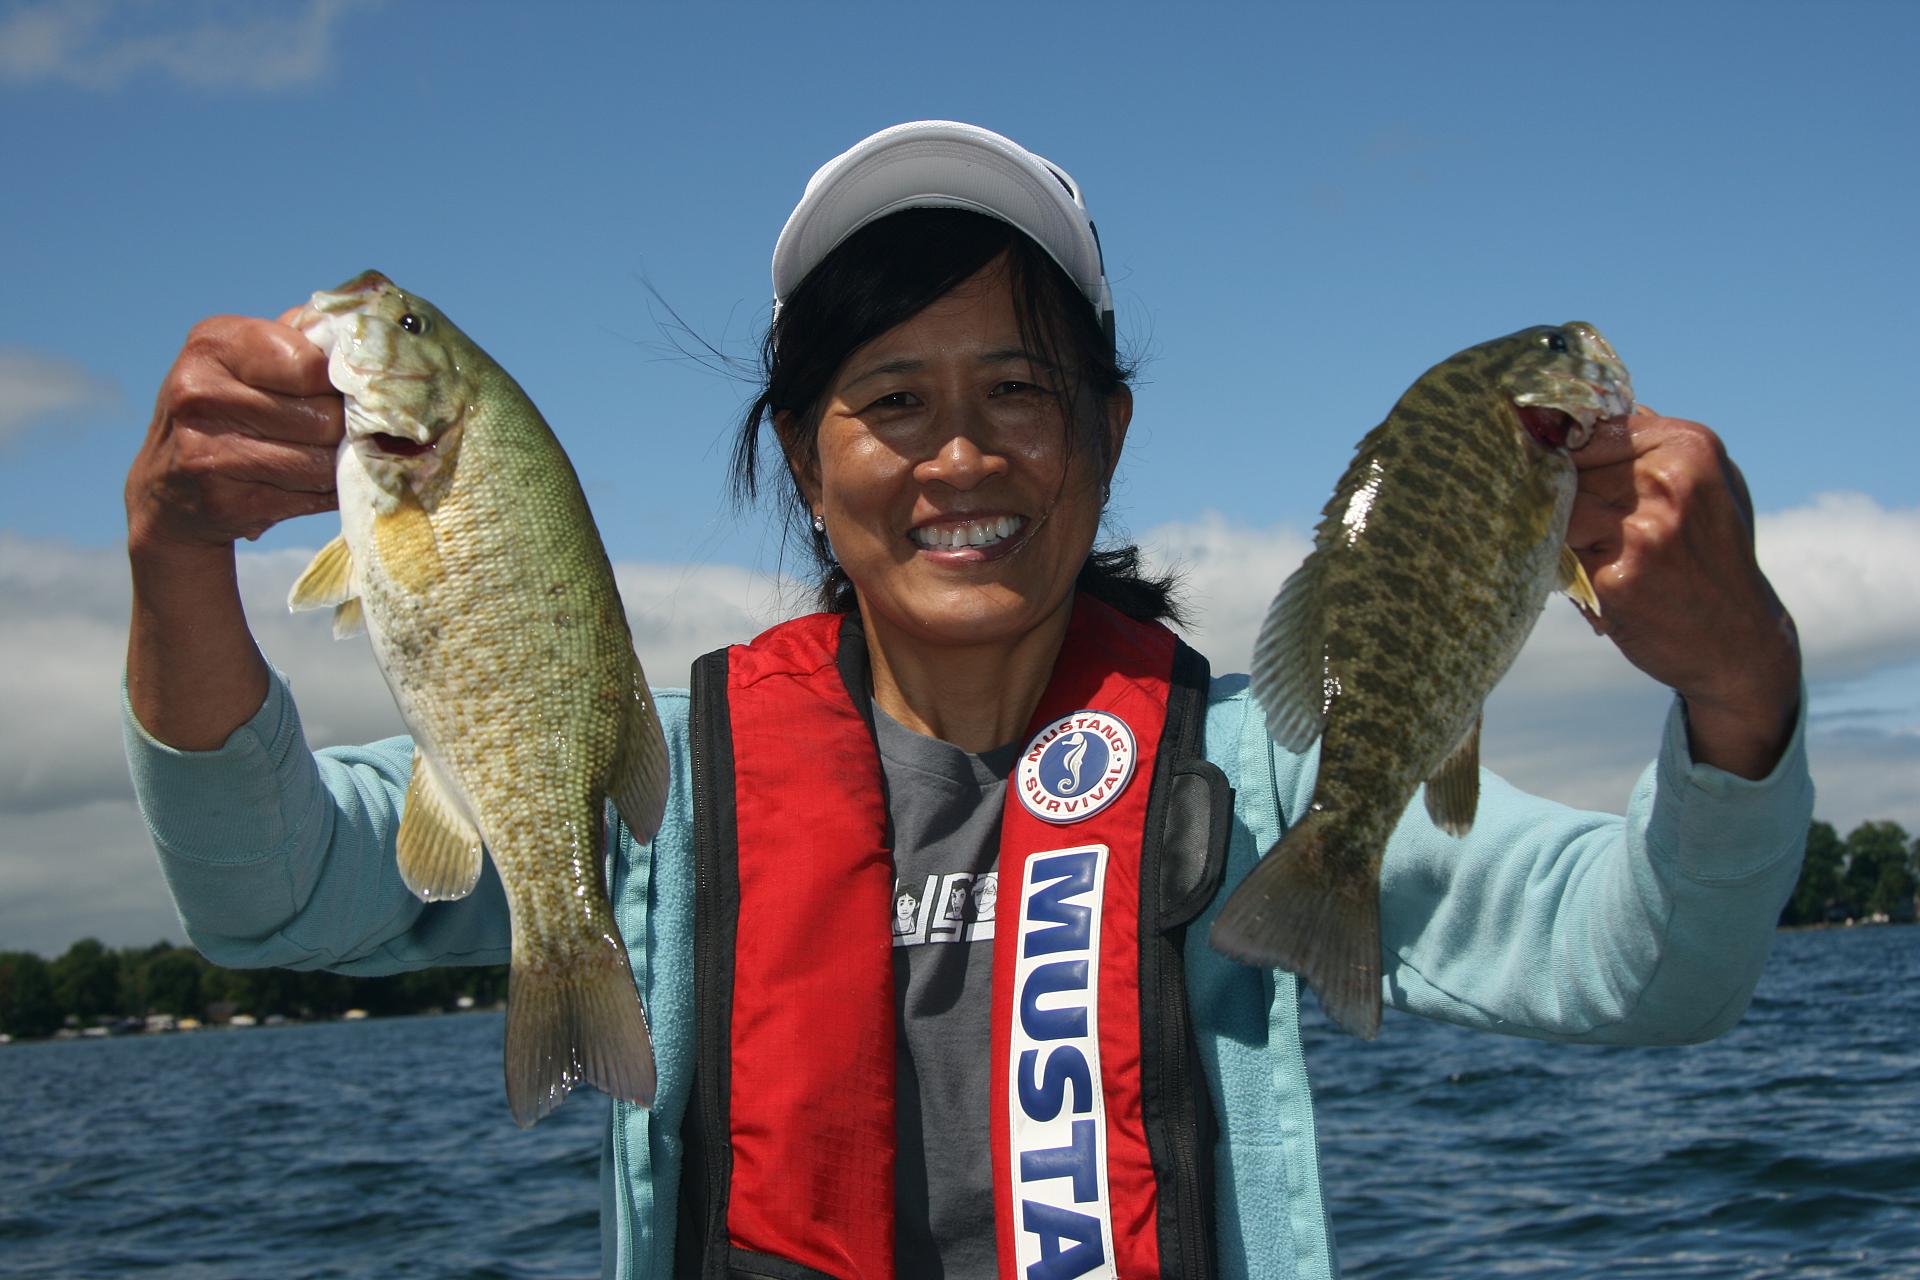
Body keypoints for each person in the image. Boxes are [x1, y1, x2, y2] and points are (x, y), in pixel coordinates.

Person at [122, 121, 1811, 1280]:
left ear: (1109, 434)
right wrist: (177, 555)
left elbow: (1653, 967)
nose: (960, 453)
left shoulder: (1257, 778)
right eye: (889, 398)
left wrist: (1739, 674)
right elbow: (266, 888)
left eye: (1020, 386)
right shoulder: (658, 789)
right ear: (802, 456)